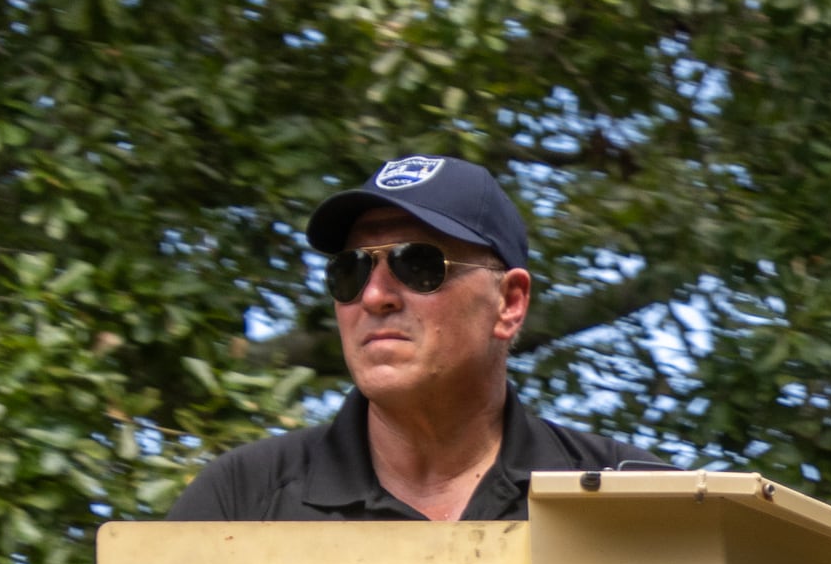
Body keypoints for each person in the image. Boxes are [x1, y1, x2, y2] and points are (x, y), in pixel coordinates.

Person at [174, 153, 646, 522]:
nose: (375, 296)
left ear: (510, 303)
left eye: (418, 264)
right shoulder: (239, 502)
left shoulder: (632, 500)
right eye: (351, 269)